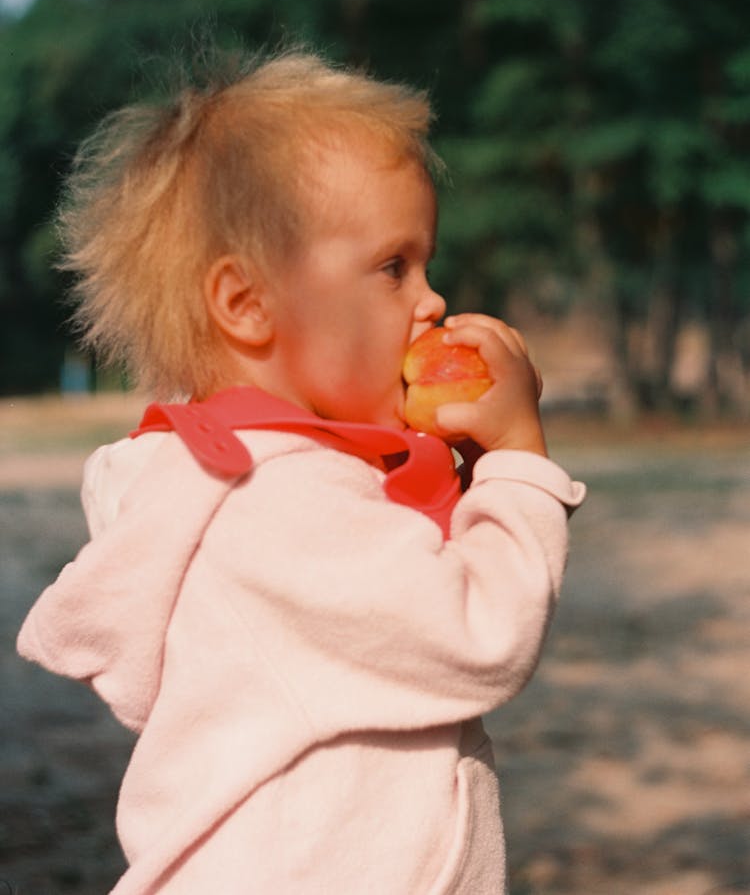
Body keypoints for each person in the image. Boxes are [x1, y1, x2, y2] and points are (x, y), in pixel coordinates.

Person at [17, 47, 585, 894]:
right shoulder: (272, 502)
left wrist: (460, 466)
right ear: (246, 306)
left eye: (425, 264)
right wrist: (516, 462)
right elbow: (480, 634)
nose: (430, 301)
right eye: (393, 267)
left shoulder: (263, 482)